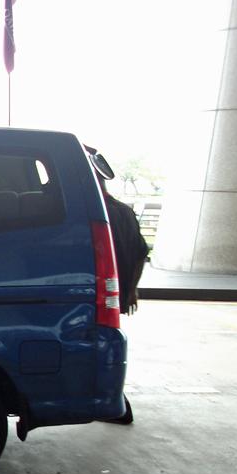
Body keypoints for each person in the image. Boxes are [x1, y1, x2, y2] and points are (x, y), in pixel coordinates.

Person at [88, 148, 150, 424]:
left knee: (97, 345)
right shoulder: (124, 211)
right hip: (114, 291)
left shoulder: (91, 214)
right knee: (106, 342)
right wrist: (131, 289)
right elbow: (140, 254)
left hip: (93, 291)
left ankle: (111, 400)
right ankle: (114, 399)